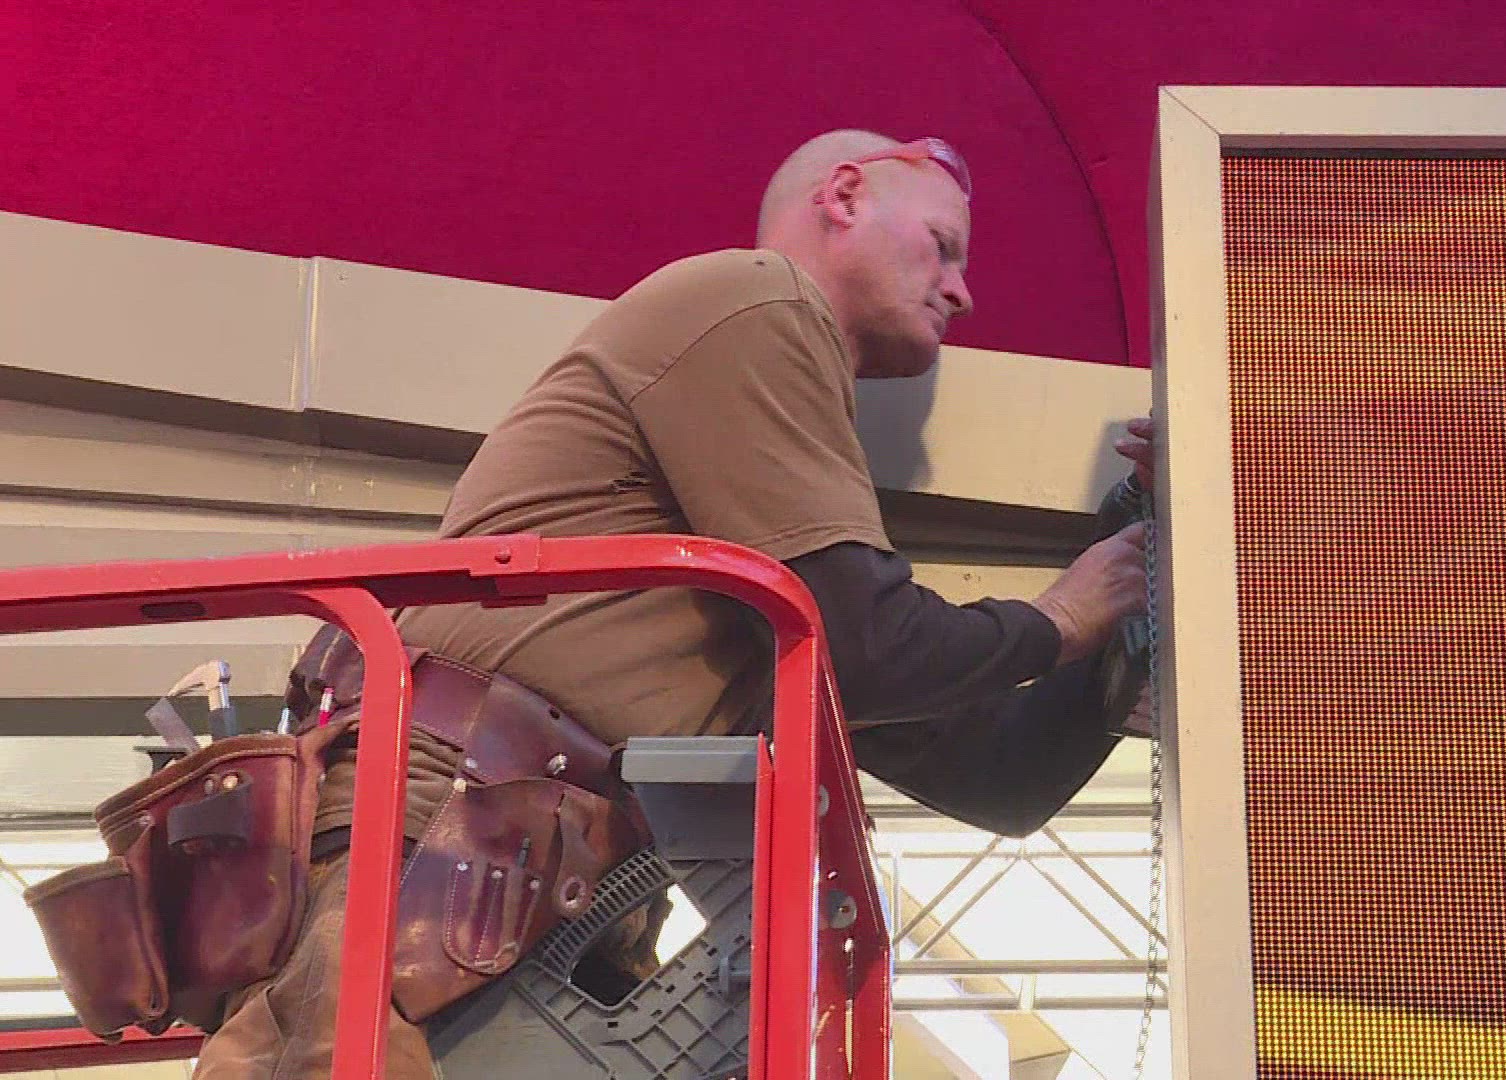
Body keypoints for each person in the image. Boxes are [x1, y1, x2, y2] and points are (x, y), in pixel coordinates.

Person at [191, 129, 1152, 1078]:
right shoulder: (758, 300)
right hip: (446, 837)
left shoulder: (763, 571)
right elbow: (871, 645)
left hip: (536, 882)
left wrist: (1133, 564)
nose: (961, 289)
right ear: (845, 195)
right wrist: (1062, 618)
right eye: (942, 246)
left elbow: (997, 773)